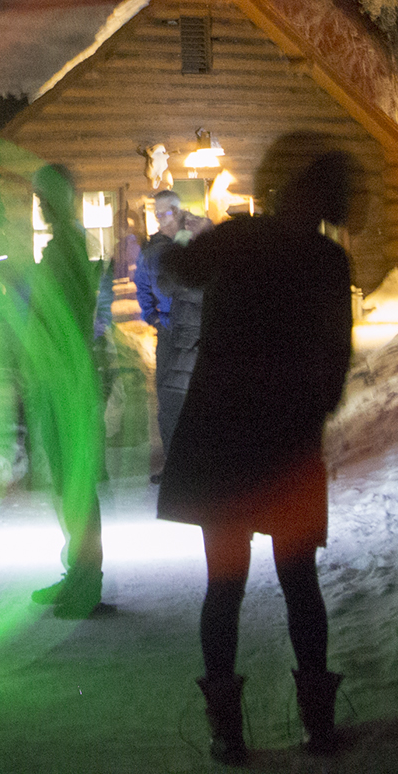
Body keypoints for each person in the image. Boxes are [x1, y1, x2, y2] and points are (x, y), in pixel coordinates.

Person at [158, 146, 359, 762]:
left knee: (225, 585)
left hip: (222, 435)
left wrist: (175, 236)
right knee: (300, 582)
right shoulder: (328, 260)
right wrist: (314, 412)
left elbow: (180, 269)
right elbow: (335, 358)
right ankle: (317, 729)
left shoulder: (239, 239)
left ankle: (226, 734)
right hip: (288, 441)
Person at [22, 162, 106, 619]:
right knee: (67, 481)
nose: (38, 204)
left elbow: (66, 318)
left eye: (42, 196)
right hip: (58, 380)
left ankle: (85, 584)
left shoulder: (66, 249)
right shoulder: (63, 247)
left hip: (67, 384)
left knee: (76, 483)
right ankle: (77, 572)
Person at [133, 188, 210, 476]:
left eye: (164, 214)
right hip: (167, 331)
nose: (159, 220)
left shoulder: (199, 238)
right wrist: (152, 315)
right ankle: (174, 464)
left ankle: (200, 464)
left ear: (177, 212)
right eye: (155, 214)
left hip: (196, 331)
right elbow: (143, 284)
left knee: (195, 398)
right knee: (168, 400)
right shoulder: (153, 248)